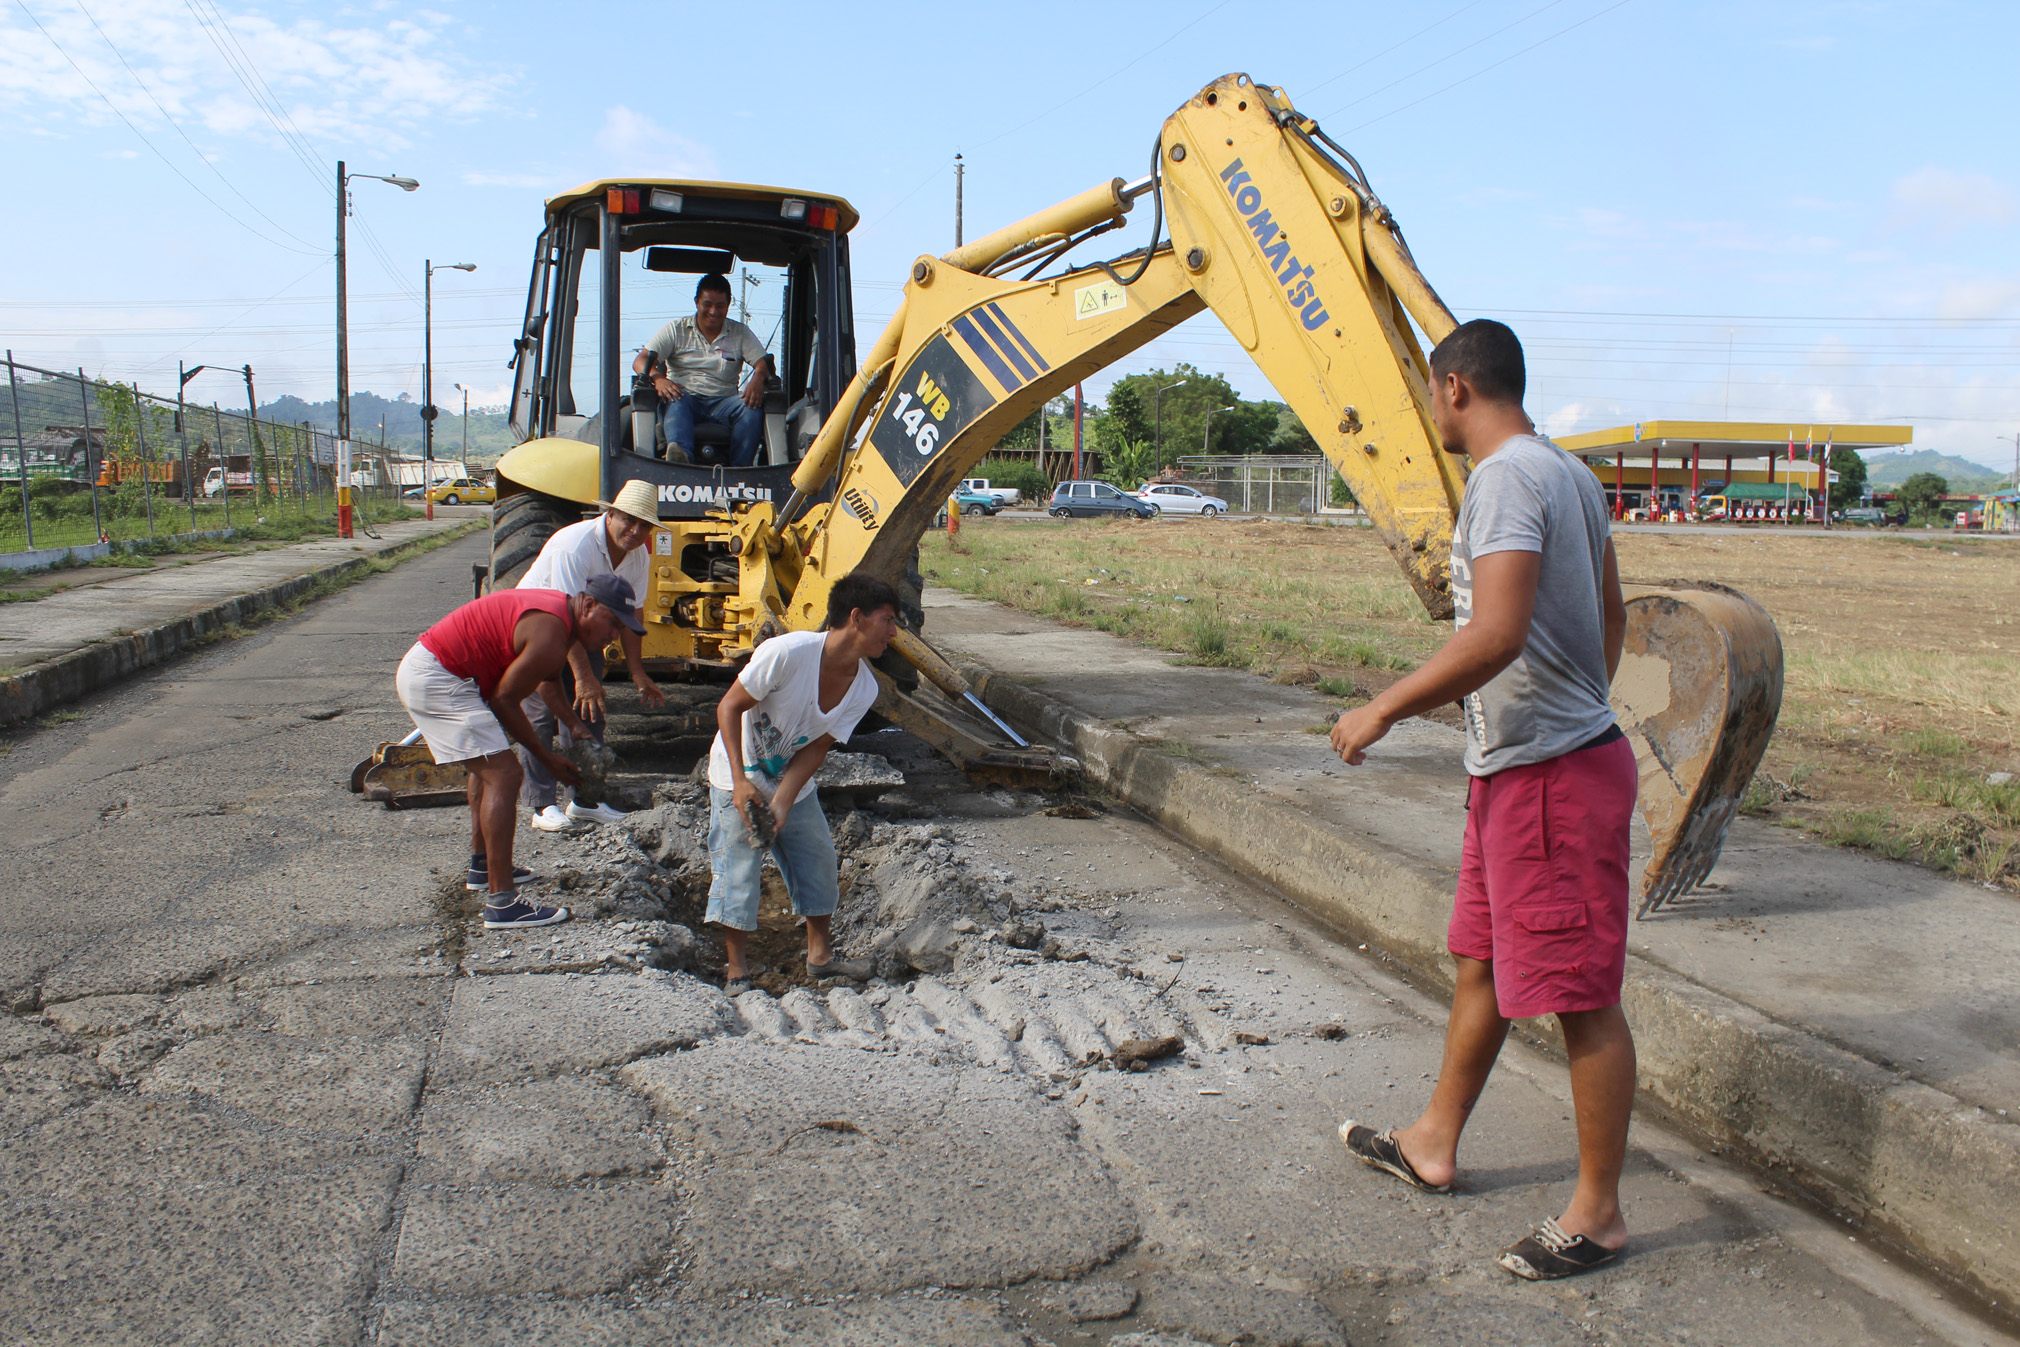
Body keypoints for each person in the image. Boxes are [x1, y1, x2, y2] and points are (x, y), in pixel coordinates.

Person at [1328, 319, 1636, 1282]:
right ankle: (1433, 1139)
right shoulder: (1570, 475)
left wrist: (1382, 706)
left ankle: (1599, 1214)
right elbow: (1610, 612)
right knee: (1486, 963)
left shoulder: (1504, 479)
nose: (1430, 410)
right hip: (1524, 767)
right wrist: (1574, 698)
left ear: (1455, 387)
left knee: (1580, 998)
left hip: (1551, 777)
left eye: (1430, 393)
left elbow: (1497, 631)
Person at [396, 576, 642, 929]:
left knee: (487, 767)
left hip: (433, 670)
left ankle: (483, 866)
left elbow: (548, 682)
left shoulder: (559, 618)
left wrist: (574, 726)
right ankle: (503, 903)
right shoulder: (551, 633)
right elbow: (505, 700)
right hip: (440, 678)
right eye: (613, 623)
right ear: (588, 606)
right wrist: (547, 758)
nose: (614, 635)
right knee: (505, 774)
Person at [705, 571, 897, 993]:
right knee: (739, 869)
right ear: (857, 618)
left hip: (790, 780)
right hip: (737, 770)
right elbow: (729, 707)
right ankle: (736, 970)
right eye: (887, 619)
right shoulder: (788, 653)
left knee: (819, 863)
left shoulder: (864, 688)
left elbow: (816, 748)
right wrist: (741, 782)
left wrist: (783, 804)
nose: (894, 632)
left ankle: (820, 958)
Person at [516, 478, 667, 830]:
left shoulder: (639, 554)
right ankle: (541, 806)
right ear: (610, 514)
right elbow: (560, 612)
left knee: (590, 712)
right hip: (538, 625)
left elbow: (633, 613)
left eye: (644, 524)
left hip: (584, 630)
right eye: (628, 519)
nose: (634, 530)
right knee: (541, 713)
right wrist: (583, 678)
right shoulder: (575, 545)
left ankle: (585, 800)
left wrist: (637, 672)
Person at [633, 273, 772, 467]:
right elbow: (641, 360)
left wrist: (757, 378)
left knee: (750, 407)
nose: (713, 311)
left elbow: (763, 363)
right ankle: (680, 462)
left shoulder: (740, 333)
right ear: (697, 302)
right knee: (674, 398)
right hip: (685, 398)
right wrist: (658, 378)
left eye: (720, 306)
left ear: (728, 304)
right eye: (707, 304)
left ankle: (741, 472)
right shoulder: (675, 330)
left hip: (725, 402)